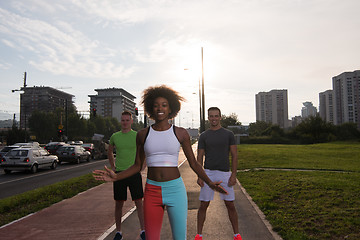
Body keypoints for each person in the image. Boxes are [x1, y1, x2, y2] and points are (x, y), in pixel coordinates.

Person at [94, 85, 227, 240]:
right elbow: (137, 165)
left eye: (164, 105)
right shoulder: (143, 135)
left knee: (179, 238)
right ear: (151, 108)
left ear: (171, 108)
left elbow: (194, 163)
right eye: (156, 105)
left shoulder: (181, 133)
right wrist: (117, 177)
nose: (160, 108)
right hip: (152, 191)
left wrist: (210, 183)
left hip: (175, 190)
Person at [194, 107, 242, 240]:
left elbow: (234, 155)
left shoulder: (228, 134)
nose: (214, 118)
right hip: (208, 173)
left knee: (230, 205)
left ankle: (236, 234)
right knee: (204, 204)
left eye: (216, 116)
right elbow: (199, 157)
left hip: (224, 174)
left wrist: (233, 175)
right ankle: (199, 234)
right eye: (211, 116)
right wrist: (199, 176)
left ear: (220, 117)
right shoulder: (204, 135)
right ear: (208, 118)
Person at [108, 111, 145, 240]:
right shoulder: (115, 136)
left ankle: (143, 231)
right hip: (119, 174)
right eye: (123, 120)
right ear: (120, 121)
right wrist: (112, 165)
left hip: (134, 173)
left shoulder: (137, 135)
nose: (125, 122)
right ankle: (119, 232)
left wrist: (142, 165)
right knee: (119, 204)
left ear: (131, 121)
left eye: (127, 120)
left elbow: (145, 150)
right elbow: (110, 149)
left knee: (139, 202)